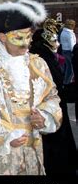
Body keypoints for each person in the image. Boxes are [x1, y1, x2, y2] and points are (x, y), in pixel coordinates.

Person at [0, 0, 62, 175]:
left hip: (33, 152)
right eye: (19, 38)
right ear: (2, 37)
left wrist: (45, 117)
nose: (26, 44)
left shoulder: (38, 64)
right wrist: (4, 137)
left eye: (29, 37)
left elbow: (52, 97)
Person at [29, 18, 77, 175]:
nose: (57, 44)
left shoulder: (48, 57)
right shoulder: (42, 60)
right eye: (53, 40)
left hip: (55, 108)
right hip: (47, 111)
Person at [60, 19, 76, 84]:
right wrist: (75, 52)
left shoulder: (63, 32)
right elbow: (72, 45)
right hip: (69, 52)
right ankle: (67, 83)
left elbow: (61, 42)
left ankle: (66, 82)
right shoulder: (70, 34)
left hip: (64, 51)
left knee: (68, 68)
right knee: (71, 69)